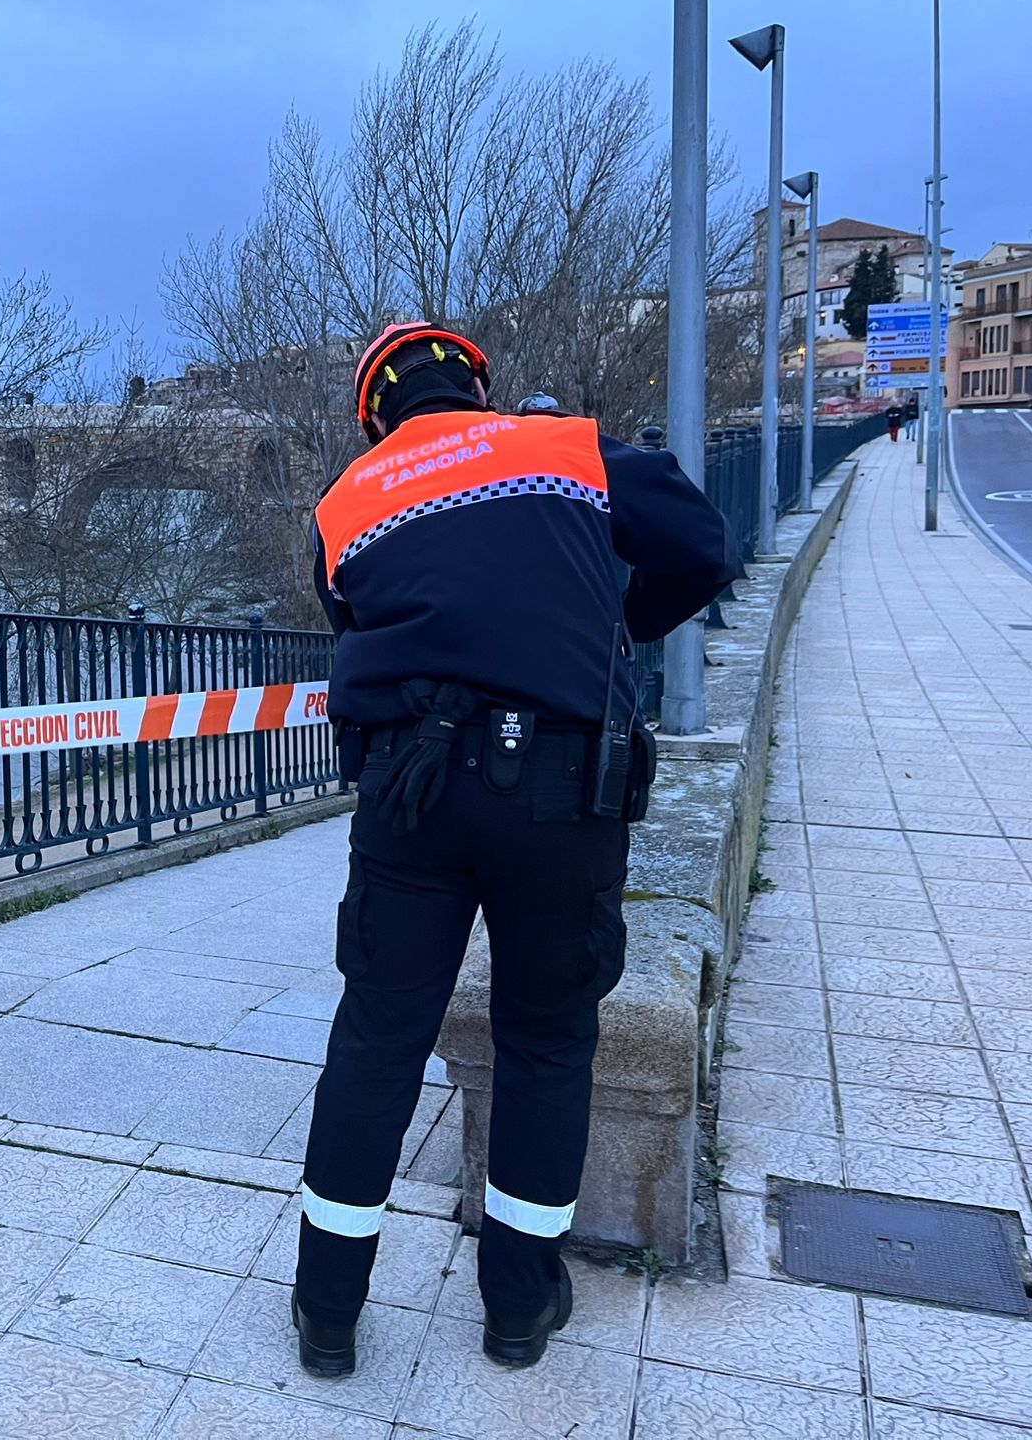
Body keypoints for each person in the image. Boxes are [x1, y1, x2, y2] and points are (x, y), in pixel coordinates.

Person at [292, 322, 738, 1375]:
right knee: (545, 1042)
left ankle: (326, 1312)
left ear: (375, 416)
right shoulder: (568, 448)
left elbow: (358, 622)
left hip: (409, 792)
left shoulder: (347, 499)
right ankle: (516, 1308)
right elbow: (704, 548)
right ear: (481, 390)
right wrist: (611, 628)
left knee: (375, 1038)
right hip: (558, 795)